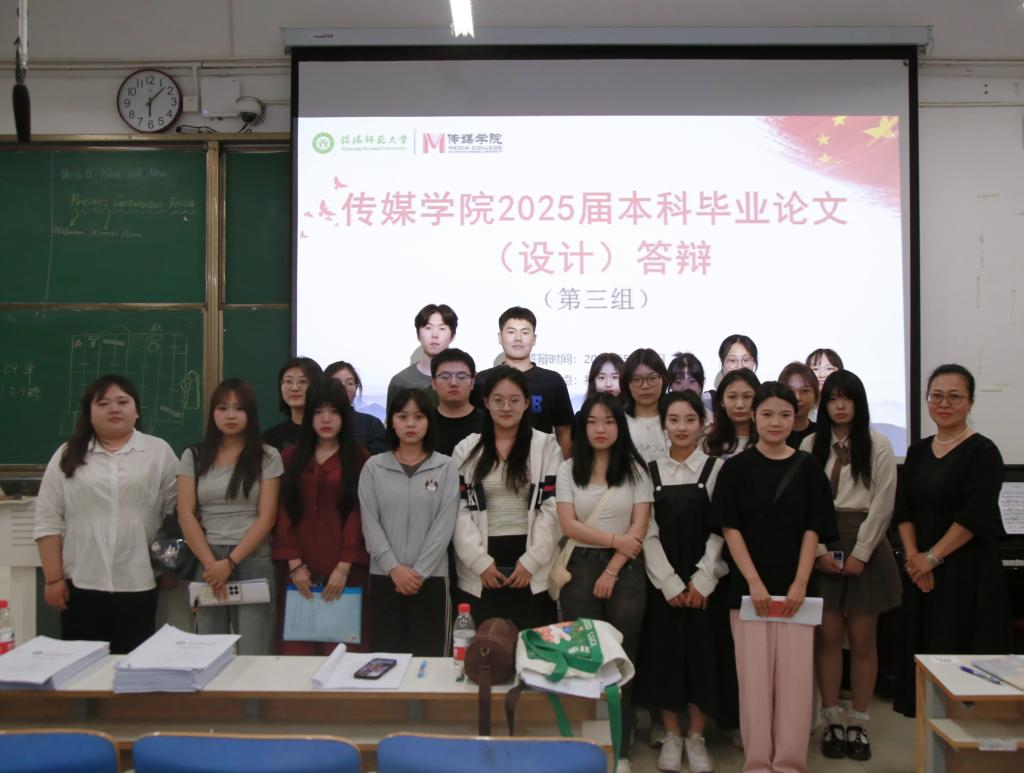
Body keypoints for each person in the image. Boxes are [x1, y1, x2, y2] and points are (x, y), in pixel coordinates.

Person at [711, 381, 837, 773]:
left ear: (795, 417)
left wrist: (800, 583)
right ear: (753, 416)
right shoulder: (735, 469)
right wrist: (754, 582)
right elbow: (730, 529)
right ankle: (757, 763)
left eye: (784, 415)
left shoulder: (809, 468)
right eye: (767, 414)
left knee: (795, 683)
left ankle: (789, 763)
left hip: (797, 590)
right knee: (754, 683)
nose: (775, 422)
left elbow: (813, 529)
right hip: (748, 590)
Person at [893, 364, 1011, 718]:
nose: (944, 403)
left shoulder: (983, 452)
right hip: (921, 572)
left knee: (962, 656)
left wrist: (931, 558)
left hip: (967, 570)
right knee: (925, 652)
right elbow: (903, 510)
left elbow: (975, 516)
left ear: (970, 402)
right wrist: (914, 558)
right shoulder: (917, 451)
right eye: (936, 396)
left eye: (955, 396)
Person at [34, 375, 178, 654]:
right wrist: (53, 579)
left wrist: (171, 568)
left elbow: (177, 513)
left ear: (136, 411)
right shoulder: (67, 454)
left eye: (123, 402)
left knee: (134, 665)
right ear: (89, 413)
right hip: (81, 581)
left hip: (139, 580)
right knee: (81, 666)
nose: (114, 409)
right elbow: (48, 518)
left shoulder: (158, 451)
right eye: (103, 403)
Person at [802, 369, 901, 761]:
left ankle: (858, 721)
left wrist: (861, 551)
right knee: (827, 637)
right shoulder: (811, 444)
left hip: (865, 542)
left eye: (847, 398)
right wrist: (818, 551)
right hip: (822, 540)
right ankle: (832, 720)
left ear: (859, 403)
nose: (840, 406)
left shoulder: (878, 444)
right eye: (832, 398)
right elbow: (805, 505)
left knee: (862, 640)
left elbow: (884, 502)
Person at [556, 392, 653, 772]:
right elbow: (569, 525)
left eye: (609, 421)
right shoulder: (569, 469)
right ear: (582, 427)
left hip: (626, 570)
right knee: (584, 658)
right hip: (579, 568)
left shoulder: (636, 470)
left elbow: (639, 527)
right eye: (593, 421)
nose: (600, 429)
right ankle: (584, 746)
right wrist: (615, 540)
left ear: (620, 426)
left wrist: (612, 568)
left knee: (622, 660)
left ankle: (620, 748)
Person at [635, 391, 729, 773]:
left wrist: (704, 578)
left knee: (703, 657)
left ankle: (697, 736)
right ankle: (672, 734)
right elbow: (646, 531)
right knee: (666, 657)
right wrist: (669, 582)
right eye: (673, 420)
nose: (682, 428)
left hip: (705, 585)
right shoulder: (649, 471)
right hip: (664, 585)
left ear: (703, 424)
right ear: (663, 425)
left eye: (690, 420)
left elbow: (721, 529)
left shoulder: (716, 469)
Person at [451, 367, 562, 629]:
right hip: (480, 567)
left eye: (514, 400)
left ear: (526, 403)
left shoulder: (546, 446)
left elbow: (554, 508)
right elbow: (458, 511)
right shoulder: (466, 449)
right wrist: (479, 562)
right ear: (486, 402)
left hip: (533, 565)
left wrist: (531, 562)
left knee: (534, 648)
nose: (506, 407)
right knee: (484, 648)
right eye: (498, 400)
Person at [178, 378, 282, 654]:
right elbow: (186, 514)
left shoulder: (268, 456)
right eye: (223, 408)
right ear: (213, 413)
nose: (231, 415)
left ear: (250, 413)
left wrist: (231, 561)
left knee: (254, 650)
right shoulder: (193, 455)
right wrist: (212, 564)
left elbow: (267, 517)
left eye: (239, 408)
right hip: (207, 559)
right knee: (209, 649)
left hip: (253, 558)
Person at [358, 388, 458, 656]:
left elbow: (444, 526)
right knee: (385, 660)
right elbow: (370, 524)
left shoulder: (446, 467)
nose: (410, 424)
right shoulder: (374, 467)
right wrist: (394, 568)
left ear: (429, 422)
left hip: (432, 578)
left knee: (431, 662)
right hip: (385, 577)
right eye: (403, 416)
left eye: (419, 417)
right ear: (391, 421)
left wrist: (419, 573)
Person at [274, 378, 370, 654]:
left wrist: (343, 567)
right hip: (299, 568)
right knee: (297, 653)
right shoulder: (290, 457)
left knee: (344, 652)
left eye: (334, 411)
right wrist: (295, 565)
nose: (326, 419)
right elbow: (283, 511)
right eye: (318, 412)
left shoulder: (359, 458)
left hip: (346, 570)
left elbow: (358, 513)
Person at [472, 306, 575, 458]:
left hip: (541, 463)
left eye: (525, 332)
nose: (518, 338)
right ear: (500, 337)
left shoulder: (552, 381)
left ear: (534, 339)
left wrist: (561, 467)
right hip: (491, 461)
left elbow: (564, 430)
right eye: (511, 332)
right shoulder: (482, 381)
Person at [385, 303, 458, 409]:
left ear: (452, 336)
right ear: (418, 335)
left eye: (442, 328)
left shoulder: (467, 380)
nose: (435, 334)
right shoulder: (400, 382)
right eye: (428, 328)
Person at [324, 360, 388, 455]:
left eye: (350, 383)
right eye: (337, 383)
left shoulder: (372, 425)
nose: (344, 387)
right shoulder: (316, 421)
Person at [431, 348, 484, 457]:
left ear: (472, 382)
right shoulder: (423, 424)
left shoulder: (489, 423)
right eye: (445, 377)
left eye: (461, 377)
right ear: (434, 383)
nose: (453, 383)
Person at [263, 356, 323, 452]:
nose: (294, 388)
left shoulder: (327, 432)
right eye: (288, 381)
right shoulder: (269, 437)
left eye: (303, 381)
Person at [622, 348, 670, 463]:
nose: (645, 386)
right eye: (636, 379)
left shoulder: (674, 420)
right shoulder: (618, 420)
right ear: (626, 383)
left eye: (652, 378)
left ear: (663, 380)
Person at [703, 369, 760, 458]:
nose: (740, 405)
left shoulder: (768, 441)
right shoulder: (709, 443)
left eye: (747, 396)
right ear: (722, 401)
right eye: (732, 397)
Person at [779, 361, 819, 449]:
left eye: (805, 391)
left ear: (815, 396)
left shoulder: (821, 433)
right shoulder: (772, 432)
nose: (797, 397)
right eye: (791, 391)